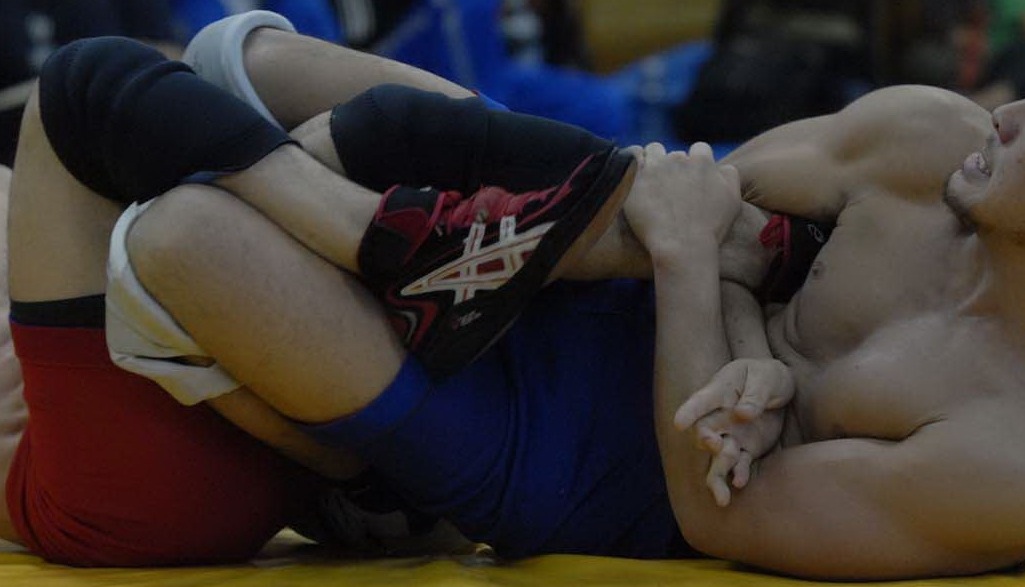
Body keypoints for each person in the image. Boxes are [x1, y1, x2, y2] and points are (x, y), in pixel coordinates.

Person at [158, 14, 1025, 580]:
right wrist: (746, 342)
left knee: (183, 235)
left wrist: (693, 265)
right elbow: (684, 202)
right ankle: (359, 242)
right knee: (253, 61)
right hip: (614, 276)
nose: (1008, 115)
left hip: (587, 470)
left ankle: (369, 457)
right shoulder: (930, 138)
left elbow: (718, 513)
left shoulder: (1003, 460)